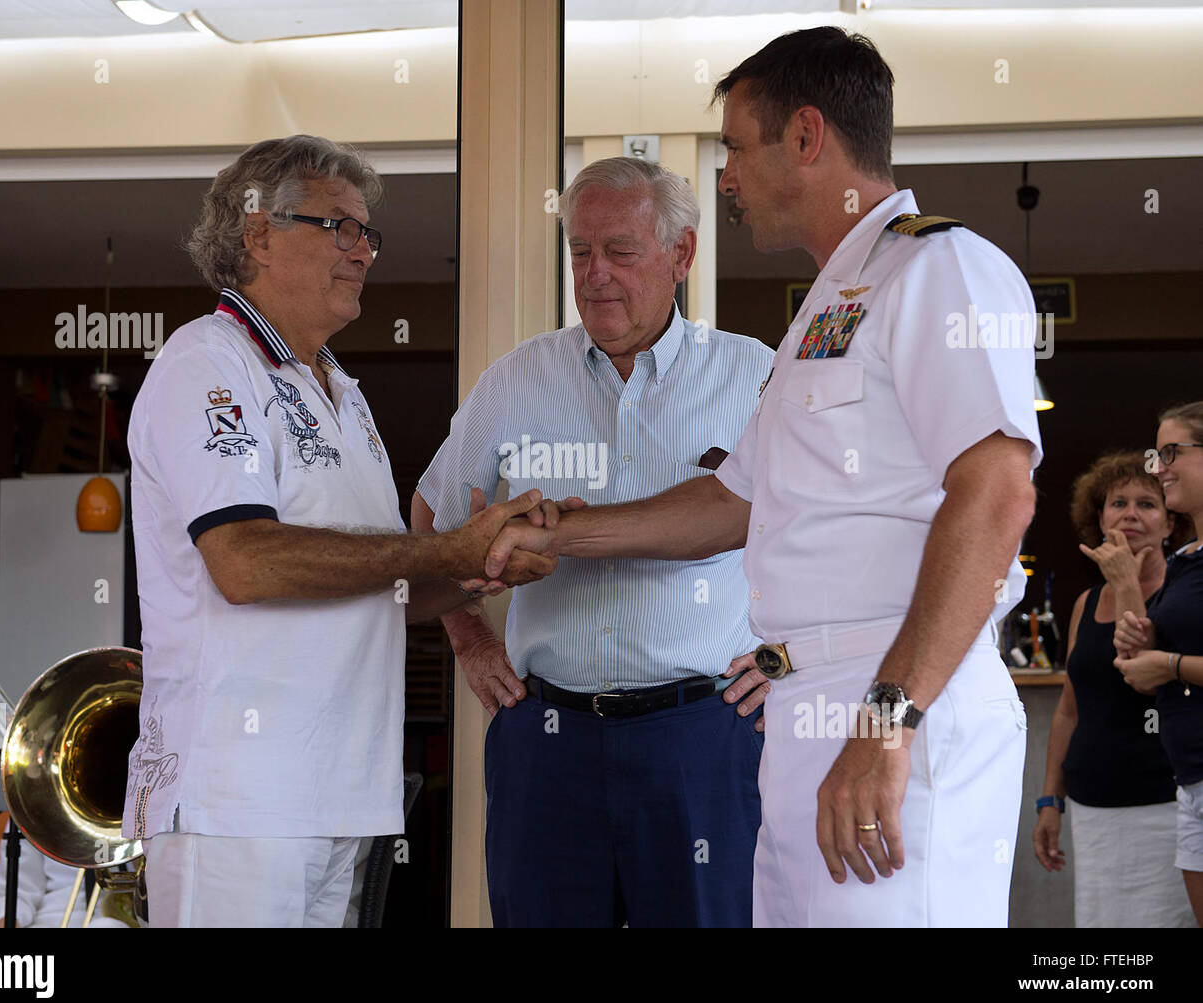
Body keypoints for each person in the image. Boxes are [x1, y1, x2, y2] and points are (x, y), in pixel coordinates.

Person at [488, 27, 1042, 927]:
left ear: (808, 136)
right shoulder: (824, 307)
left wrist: (888, 717)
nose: (728, 176)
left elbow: (998, 493)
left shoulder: (941, 268)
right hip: (802, 714)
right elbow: (732, 502)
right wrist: (554, 535)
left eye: (738, 148)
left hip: (891, 694)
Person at [122, 135, 554, 928]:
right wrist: (446, 548)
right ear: (256, 232)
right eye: (339, 228)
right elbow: (245, 560)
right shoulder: (206, 363)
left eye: (368, 234)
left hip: (342, 793)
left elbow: (379, 582)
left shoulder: (342, 389)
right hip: (239, 800)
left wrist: (484, 564)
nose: (363, 251)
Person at [412, 157, 773, 927]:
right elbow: (432, 519)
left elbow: (827, 536)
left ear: (681, 256)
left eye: (620, 250)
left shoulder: (753, 376)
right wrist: (470, 640)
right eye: (580, 252)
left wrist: (787, 658)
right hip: (548, 742)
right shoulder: (516, 381)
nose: (595, 274)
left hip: (703, 738)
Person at [1031, 452, 1194, 927]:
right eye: (1117, 503)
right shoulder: (1086, 602)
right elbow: (1068, 711)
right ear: (1098, 519)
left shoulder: (1185, 596)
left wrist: (1126, 582)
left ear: (1170, 522)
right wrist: (1049, 801)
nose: (1130, 514)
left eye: (1147, 504)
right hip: (1094, 808)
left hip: (1165, 807)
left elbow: (1141, 676)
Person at [1114, 401, 1203, 926]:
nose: (1158, 467)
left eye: (1171, 452)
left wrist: (1168, 664)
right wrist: (1141, 640)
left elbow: (1172, 669)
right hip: (1190, 778)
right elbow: (1154, 678)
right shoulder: (1184, 560)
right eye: (1157, 453)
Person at [0, 820, 130, 928]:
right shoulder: (31, 802)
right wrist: (6, 918)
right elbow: (20, 889)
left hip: (123, 918)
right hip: (50, 918)